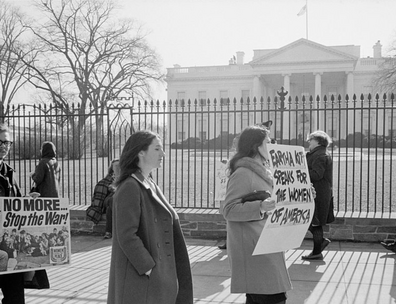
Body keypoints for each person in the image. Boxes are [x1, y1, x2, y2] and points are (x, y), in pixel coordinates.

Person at [107, 130, 193, 304]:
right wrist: (149, 268)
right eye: (157, 149)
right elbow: (126, 236)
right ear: (141, 152)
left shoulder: (148, 182)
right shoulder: (130, 187)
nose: (163, 154)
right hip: (140, 282)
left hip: (156, 278)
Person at [221, 125, 292, 304]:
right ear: (256, 147)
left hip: (266, 244)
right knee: (273, 297)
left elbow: (276, 201)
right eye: (268, 142)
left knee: (265, 296)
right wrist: (260, 206)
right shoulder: (243, 173)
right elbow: (228, 210)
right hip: (254, 249)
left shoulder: (263, 171)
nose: (272, 145)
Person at [0, 124, 25, 303]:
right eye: (0, 142)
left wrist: (29, 202)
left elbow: (17, 203)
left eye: (7, 142)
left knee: (15, 299)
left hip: (9, 248)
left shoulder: (9, 172)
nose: (4, 146)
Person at [302, 130, 334, 260]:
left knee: (313, 221)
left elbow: (316, 174)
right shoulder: (319, 153)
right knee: (313, 221)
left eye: (311, 139)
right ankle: (319, 245)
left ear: (318, 141)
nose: (309, 142)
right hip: (319, 192)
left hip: (318, 193)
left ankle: (317, 250)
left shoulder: (320, 155)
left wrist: (302, 170)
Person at [86, 159, 119, 239]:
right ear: (112, 168)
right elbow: (99, 195)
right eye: (116, 166)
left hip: (116, 204)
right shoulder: (106, 180)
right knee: (112, 200)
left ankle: (109, 232)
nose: (118, 167)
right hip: (108, 201)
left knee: (109, 209)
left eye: (120, 166)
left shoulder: (126, 178)